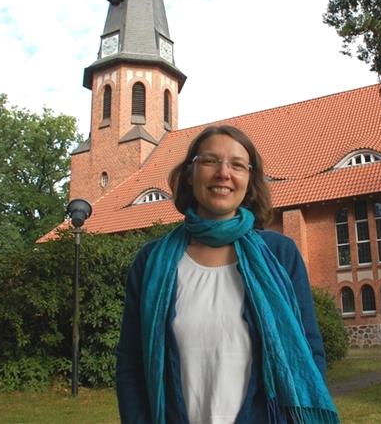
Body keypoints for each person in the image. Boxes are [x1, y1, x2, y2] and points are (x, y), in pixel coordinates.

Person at [115, 125, 339, 424]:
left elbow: (308, 354)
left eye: (237, 165)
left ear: (249, 180)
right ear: (190, 173)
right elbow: (131, 366)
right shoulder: (151, 262)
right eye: (209, 161)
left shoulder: (279, 255)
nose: (223, 173)